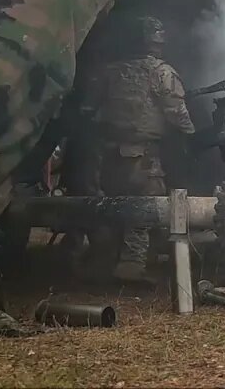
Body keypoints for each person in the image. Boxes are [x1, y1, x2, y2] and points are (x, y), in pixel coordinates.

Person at [80, 16, 196, 283]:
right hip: (144, 155)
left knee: (110, 207)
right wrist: (191, 135)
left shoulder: (108, 72)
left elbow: (87, 111)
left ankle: (103, 262)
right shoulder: (161, 72)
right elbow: (176, 111)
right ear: (154, 42)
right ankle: (131, 267)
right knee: (144, 210)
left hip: (108, 153)